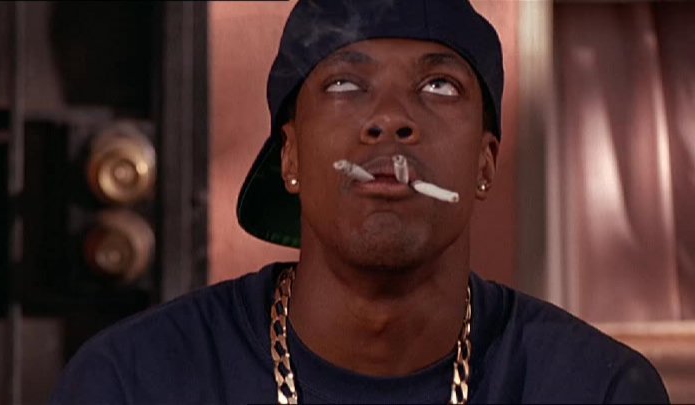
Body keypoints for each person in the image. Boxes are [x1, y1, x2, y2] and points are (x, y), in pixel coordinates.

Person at [51, 1, 669, 403]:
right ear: (290, 158)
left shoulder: (596, 390)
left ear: (485, 164)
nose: (391, 119)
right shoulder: (134, 382)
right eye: (346, 83)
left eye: (438, 85)